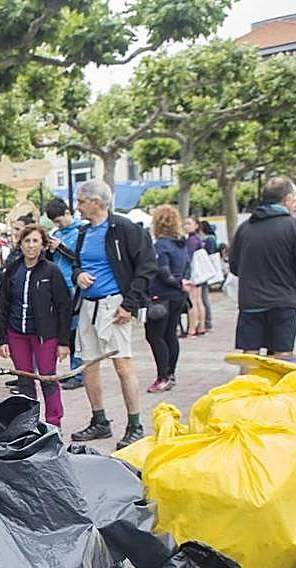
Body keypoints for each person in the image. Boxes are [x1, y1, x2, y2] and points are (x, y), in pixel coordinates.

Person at [70, 179, 154, 448]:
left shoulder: (124, 228)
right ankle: (100, 420)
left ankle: (135, 423)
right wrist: (78, 275)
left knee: (122, 364)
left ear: (96, 202)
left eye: (81, 201)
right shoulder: (83, 233)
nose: (78, 207)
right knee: (89, 365)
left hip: (114, 304)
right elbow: (76, 263)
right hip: (88, 304)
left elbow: (146, 265)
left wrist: (129, 304)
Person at [230, 176, 296, 356]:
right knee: (282, 356)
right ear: (286, 199)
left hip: (251, 302)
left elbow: (234, 266)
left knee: (250, 355)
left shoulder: (245, 227)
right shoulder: (294, 226)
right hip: (283, 303)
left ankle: (248, 384)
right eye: (295, 198)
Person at [0, 224, 71, 426]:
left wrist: (64, 342)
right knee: (24, 379)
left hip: (45, 335)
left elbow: (64, 307)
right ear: (20, 244)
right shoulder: (12, 270)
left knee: (47, 378)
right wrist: (2, 339)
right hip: (17, 333)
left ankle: (54, 423)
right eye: (26, 241)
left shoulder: (51, 271)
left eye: (35, 241)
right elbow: (3, 304)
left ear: (43, 244)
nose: (31, 246)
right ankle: (28, 423)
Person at [145, 205, 189, 393]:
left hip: (162, 295)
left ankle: (163, 375)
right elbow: (186, 267)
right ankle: (170, 373)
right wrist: (181, 283)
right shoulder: (181, 244)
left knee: (154, 335)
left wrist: (173, 282)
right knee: (170, 334)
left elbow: (162, 270)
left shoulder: (161, 245)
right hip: (178, 296)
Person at [45, 197, 85, 389]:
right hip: (59, 286)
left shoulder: (81, 231)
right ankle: (71, 371)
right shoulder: (57, 233)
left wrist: (60, 247)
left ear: (68, 213)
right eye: (55, 223)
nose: (58, 225)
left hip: (75, 286)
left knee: (76, 330)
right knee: (65, 331)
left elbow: (79, 258)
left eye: (60, 220)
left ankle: (79, 374)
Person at [181, 216, 208, 337]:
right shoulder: (198, 239)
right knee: (199, 301)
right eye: (185, 224)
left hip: (193, 274)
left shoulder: (191, 240)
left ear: (196, 225)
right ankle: (201, 326)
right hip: (199, 274)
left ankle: (192, 328)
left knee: (193, 302)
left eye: (189, 224)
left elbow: (188, 257)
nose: (186, 226)